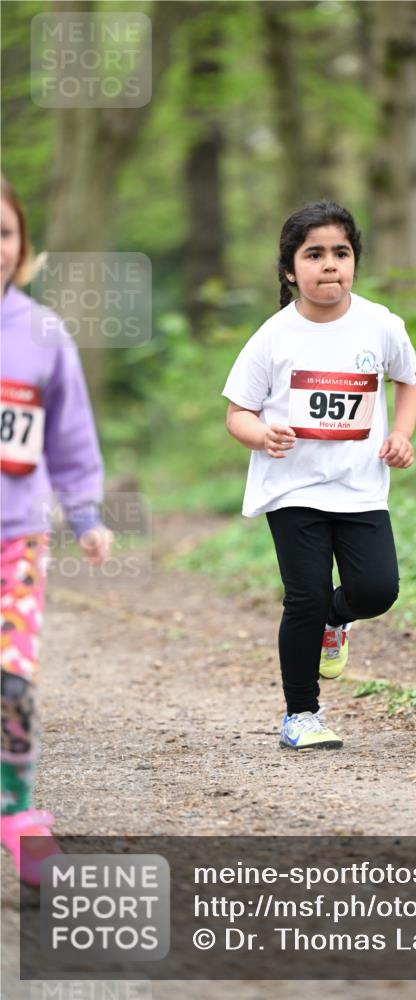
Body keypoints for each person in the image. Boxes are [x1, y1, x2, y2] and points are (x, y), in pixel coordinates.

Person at [223, 200, 416, 751]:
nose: (330, 264)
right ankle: (301, 714)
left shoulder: (380, 325)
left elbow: (410, 379)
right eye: (314, 255)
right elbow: (238, 412)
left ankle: (337, 619)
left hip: (360, 487)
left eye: (341, 252)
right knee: (304, 598)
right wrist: (261, 435)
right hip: (293, 488)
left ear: (354, 261)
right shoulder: (273, 336)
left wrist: (402, 432)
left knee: (376, 590)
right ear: (290, 270)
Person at [0, 175, 113, 884]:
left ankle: (17, 815)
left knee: (11, 681)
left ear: (23, 244)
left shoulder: (42, 332)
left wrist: (86, 514)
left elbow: (69, 436)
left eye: (5, 232)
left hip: (16, 541)